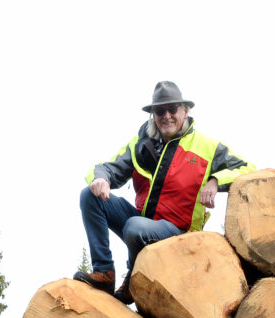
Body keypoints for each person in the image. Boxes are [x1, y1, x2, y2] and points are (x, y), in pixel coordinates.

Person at [76, 81, 256, 299]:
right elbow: (107, 168)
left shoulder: (207, 146)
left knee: (135, 227)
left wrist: (216, 180)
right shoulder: (141, 144)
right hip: (143, 224)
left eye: (172, 109)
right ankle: (104, 273)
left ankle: (133, 278)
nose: (167, 116)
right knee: (90, 196)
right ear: (153, 114)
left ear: (185, 110)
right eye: (160, 111)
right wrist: (101, 179)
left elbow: (248, 169)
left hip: (179, 234)